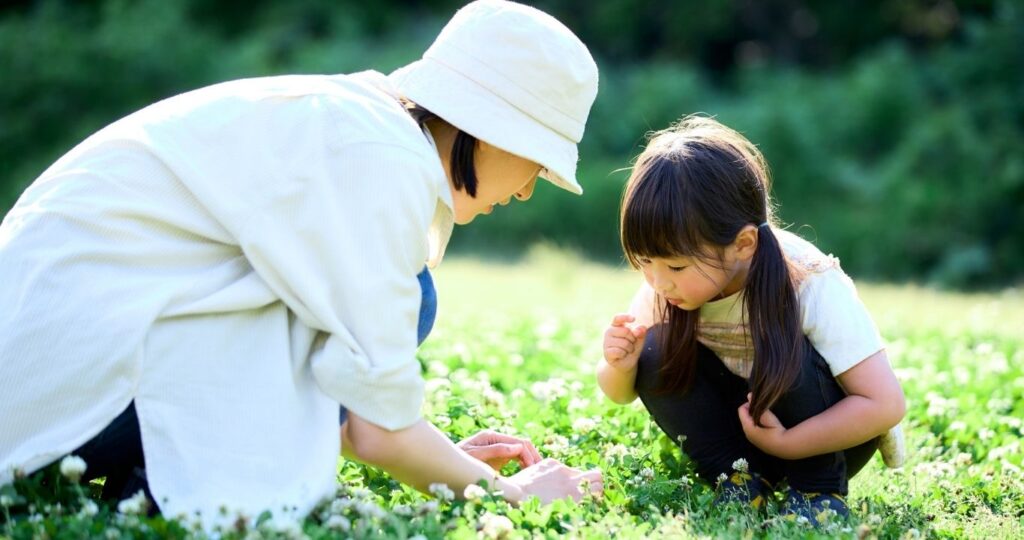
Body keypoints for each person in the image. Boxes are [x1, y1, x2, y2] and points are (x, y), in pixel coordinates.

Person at [0, 0, 601, 525]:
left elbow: (326, 366)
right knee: (414, 299)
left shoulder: (354, 119)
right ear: (497, 133)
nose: (527, 190)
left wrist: (446, 459)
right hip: (62, 391)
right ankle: (170, 480)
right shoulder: (379, 160)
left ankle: (168, 476)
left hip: (47, 368)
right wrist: (508, 493)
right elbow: (375, 428)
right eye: (538, 165)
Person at [597, 115, 906, 523]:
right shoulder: (666, 288)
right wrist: (622, 365)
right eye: (644, 263)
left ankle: (818, 493)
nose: (657, 281)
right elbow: (620, 392)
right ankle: (739, 482)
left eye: (674, 267)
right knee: (655, 349)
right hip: (748, 438)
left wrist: (790, 444)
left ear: (743, 244)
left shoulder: (808, 281)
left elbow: (885, 404)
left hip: (826, 439)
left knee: (782, 349)